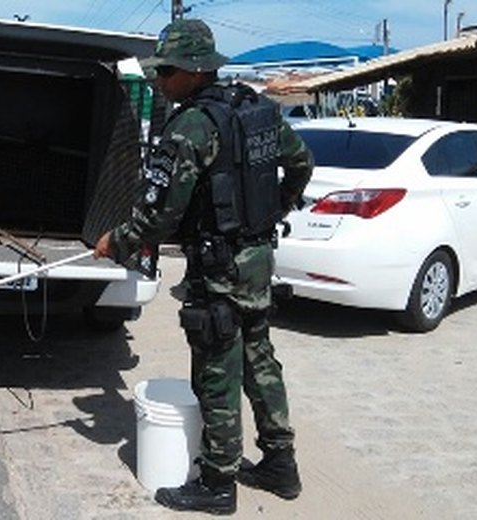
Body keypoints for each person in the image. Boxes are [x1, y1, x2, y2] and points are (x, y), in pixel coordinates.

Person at [94, 19, 313, 515]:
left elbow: (160, 214)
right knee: (258, 359)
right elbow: (302, 163)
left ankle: (218, 482)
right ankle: (281, 463)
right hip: (257, 260)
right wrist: (273, 211)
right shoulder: (256, 110)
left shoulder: (192, 125)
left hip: (219, 268)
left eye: (165, 71)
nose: (160, 81)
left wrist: (117, 242)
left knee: (217, 367)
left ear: (193, 71)